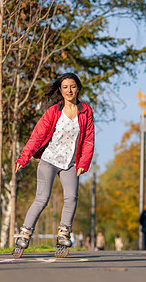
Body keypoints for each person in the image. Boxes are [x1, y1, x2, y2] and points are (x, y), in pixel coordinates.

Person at [14, 73, 95, 257]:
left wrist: (84, 162)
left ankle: (64, 233)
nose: (69, 90)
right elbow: (37, 135)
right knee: (42, 199)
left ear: (78, 88)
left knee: (72, 197)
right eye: (65, 87)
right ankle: (25, 233)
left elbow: (89, 139)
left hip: (70, 163)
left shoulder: (86, 111)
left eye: (72, 86)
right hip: (49, 160)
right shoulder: (54, 111)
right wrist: (24, 157)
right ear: (60, 89)